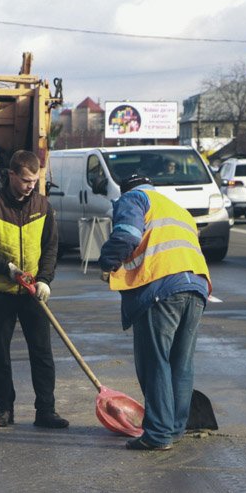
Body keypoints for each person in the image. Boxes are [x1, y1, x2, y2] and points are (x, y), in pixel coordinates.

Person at [97, 174, 210, 451]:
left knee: (155, 362)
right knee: (181, 364)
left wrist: (107, 261)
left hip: (161, 288)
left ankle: (158, 434)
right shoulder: (175, 207)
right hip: (196, 286)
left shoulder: (134, 198)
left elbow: (128, 235)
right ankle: (173, 428)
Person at [0, 149, 66, 429]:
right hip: (2, 292)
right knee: (0, 353)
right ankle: (4, 410)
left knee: (42, 353)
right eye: (25, 180)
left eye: (34, 180)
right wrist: (7, 269)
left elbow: (50, 247)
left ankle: (46, 410)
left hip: (33, 292)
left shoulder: (43, 206)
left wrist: (45, 280)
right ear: (11, 175)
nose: (30, 186)